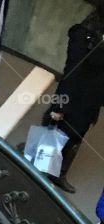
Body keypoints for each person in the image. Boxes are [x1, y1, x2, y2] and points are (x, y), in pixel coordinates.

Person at [44, 4, 104, 193]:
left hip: (90, 103)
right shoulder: (83, 35)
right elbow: (71, 72)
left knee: (75, 139)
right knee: (58, 137)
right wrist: (59, 105)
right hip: (73, 99)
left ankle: (59, 174)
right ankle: (42, 174)